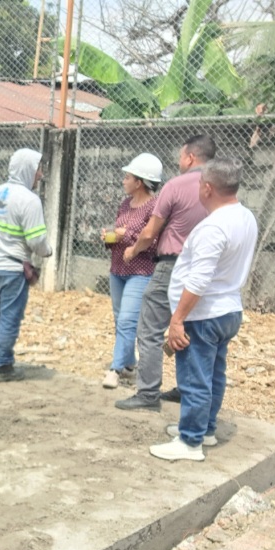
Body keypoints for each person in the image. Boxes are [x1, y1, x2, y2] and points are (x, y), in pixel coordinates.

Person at [150, 158, 257, 461]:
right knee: (213, 374)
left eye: (199, 184)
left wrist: (177, 320)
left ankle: (190, 441)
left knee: (194, 378)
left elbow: (198, 280)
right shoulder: (246, 217)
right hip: (228, 309)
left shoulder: (213, 227)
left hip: (203, 314)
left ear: (208, 188)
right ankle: (205, 429)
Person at [115, 134, 217, 411]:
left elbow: (150, 232)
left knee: (149, 329)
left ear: (190, 157)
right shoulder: (219, 187)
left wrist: (133, 250)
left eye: (181, 156)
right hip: (206, 268)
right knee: (192, 327)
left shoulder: (176, 186)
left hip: (172, 266)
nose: (179, 161)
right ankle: (188, 388)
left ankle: (148, 394)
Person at [0, 147, 52, 382]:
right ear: (27, 169)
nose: (40, 174)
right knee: (10, 316)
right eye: (38, 168)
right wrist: (47, 251)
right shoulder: (30, 200)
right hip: (13, 269)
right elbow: (36, 240)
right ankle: (3, 366)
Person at [100, 152, 163, 389]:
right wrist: (109, 237)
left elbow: (154, 243)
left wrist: (127, 235)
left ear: (139, 182)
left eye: (127, 177)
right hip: (118, 269)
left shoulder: (155, 207)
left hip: (140, 271)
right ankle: (129, 366)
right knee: (120, 319)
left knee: (127, 320)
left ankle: (115, 370)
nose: (123, 181)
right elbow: (120, 233)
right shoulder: (125, 204)